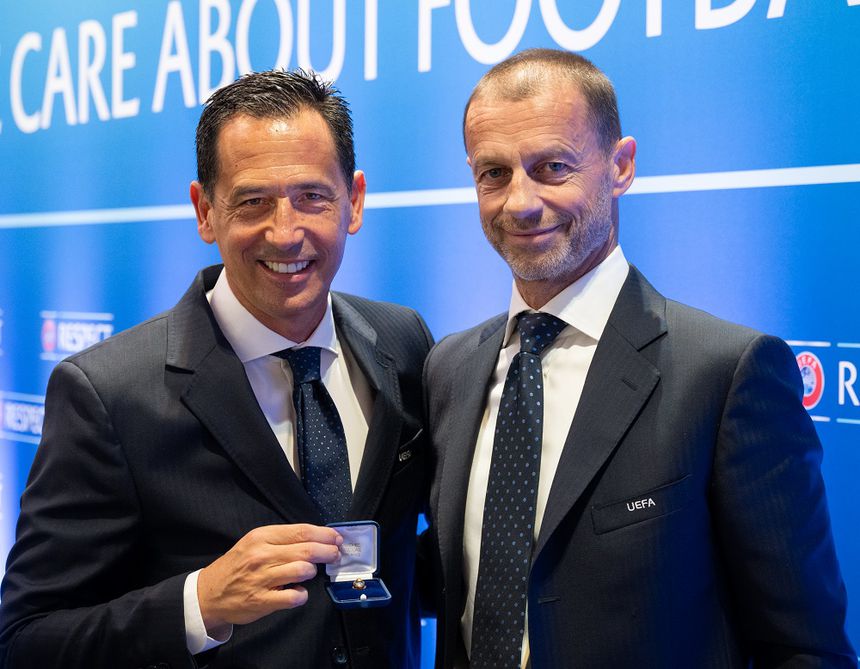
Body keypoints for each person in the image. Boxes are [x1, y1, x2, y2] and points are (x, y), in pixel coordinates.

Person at [422, 48, 857, 668]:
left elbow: (803, 649)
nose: (519, 202)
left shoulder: (725, 373)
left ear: (620, 165)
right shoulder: (450, 368)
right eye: (494, 173)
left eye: (552, 167)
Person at [0, 69, 433, 669]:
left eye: (312, 197)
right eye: (253, 202)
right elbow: (27, 638)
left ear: (353, 202)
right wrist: (199, 604)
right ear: (205, 211)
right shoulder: (108, 393)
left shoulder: (403, 342)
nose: (286, 232)